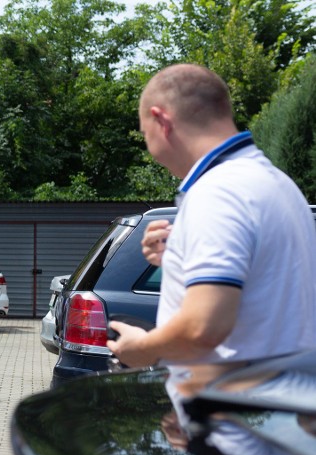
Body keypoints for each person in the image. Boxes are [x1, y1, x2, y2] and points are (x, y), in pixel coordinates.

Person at [107, 63, 316, 395]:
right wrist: (181, 255)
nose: (150, 150)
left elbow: (205, 327)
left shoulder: (219, 192)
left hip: (237, 427)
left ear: (162, 121)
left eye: (145, 133)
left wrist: (145, 348)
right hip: (271, 414)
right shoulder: (277, 184)